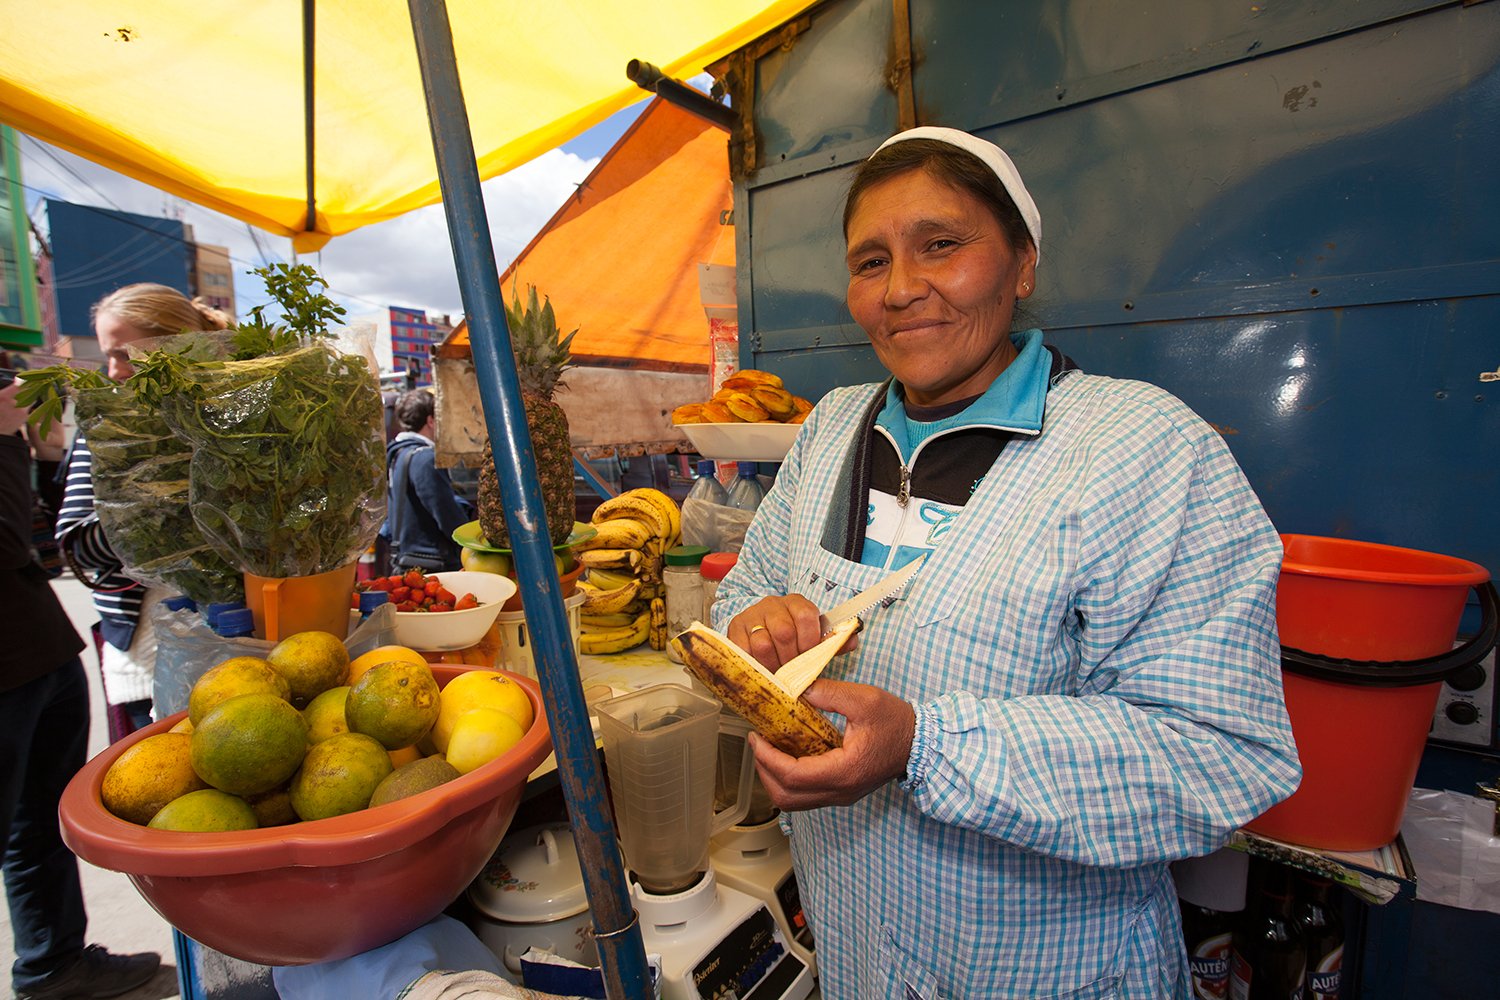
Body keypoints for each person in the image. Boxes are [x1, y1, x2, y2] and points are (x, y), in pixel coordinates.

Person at [712, 127, 1302, 998]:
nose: (902, 289)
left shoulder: (1141, 447)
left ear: (1023, 265)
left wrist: (923, 746)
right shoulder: (833, 427)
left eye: (941, 245)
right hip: (856, 950)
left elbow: (1220, 753)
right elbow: (753, 588)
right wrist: (753, 630)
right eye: (870, 262)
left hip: (1043, 971)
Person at [1, 381, 160, 999]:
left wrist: (40, 456)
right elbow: (18, 538)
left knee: (36, 827)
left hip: (38, 650)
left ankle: (52, 962)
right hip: (12, 664)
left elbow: (40, 546)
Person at [55, 283, 230, 735]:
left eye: (125, 355)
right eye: (107, 355)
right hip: (146, 660)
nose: (113, 372)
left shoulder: (232, 422)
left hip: (240, 642)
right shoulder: (104, 433)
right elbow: (76, 545)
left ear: (179, 347)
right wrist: (154, 499)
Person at [383, 389, 471, 573]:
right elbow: (445, 512)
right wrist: (471, 541)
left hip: (407, 558)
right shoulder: (425, 459)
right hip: (431, 565)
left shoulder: (397, 453)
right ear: (430, 421)